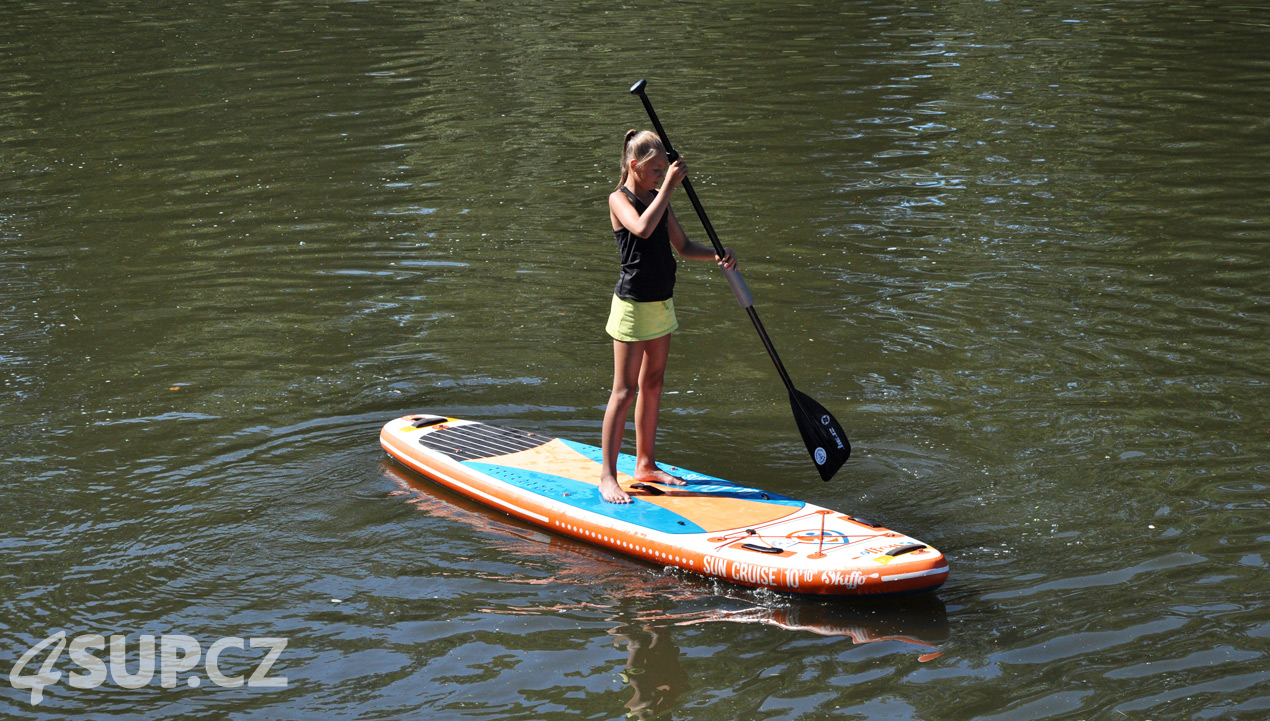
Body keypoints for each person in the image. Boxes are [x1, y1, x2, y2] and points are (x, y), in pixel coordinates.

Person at [599, 129, 737, 504]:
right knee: (624, 391)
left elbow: (683, 245)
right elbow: (642, 230)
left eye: (665, 170)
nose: (661, 175)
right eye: (656, 169)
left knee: (654, 384)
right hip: (631, 306)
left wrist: (716, 254)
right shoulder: (619, 199)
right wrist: (670, 188)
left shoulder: (659, 198)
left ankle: (645, 464)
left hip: (661, 302)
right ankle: (607, 477)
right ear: (634, 165)